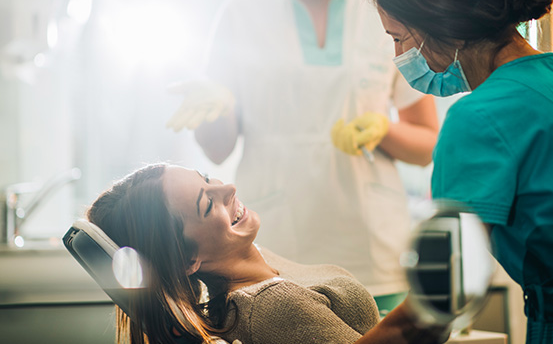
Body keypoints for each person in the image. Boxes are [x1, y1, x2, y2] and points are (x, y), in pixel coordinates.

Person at [167, 0, 439, 314]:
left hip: (368, 249)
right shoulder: (242, 13)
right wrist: (216, 107)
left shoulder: (387, 13)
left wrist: (383, 130)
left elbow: (427, 144)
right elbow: (217, 152)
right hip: (271, 248)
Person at [368, 0, 553, 343]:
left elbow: (434, 306)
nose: (398, 55)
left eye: (398, 38)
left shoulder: (480, 118)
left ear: (438, 24)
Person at [86, 162, 449, 344]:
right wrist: (430, 308)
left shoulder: (255, 265)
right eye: (207, 204)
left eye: (208, 178)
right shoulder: (271, 305)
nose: (227, 188)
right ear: (186, 261)